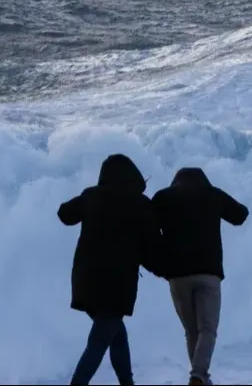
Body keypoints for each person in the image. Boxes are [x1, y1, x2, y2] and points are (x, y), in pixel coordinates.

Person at [57, 153, 165, 385]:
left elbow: (65, 214)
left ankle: (127, 383)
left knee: (115, 333)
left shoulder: (91, 195)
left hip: (85, 280)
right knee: (99, 342)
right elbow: (152, 249)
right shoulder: (140, 203)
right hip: (117, 284)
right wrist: (170, 270)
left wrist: (87, 204)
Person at [152, 167, 249, 385]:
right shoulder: (212, 194)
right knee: (208, 329)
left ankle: (200, 376)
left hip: (177, 275)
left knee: (191, 330)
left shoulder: (164, 198)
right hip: (208, 273)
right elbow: (240, 215)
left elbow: (147, 226)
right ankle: (198, 375)